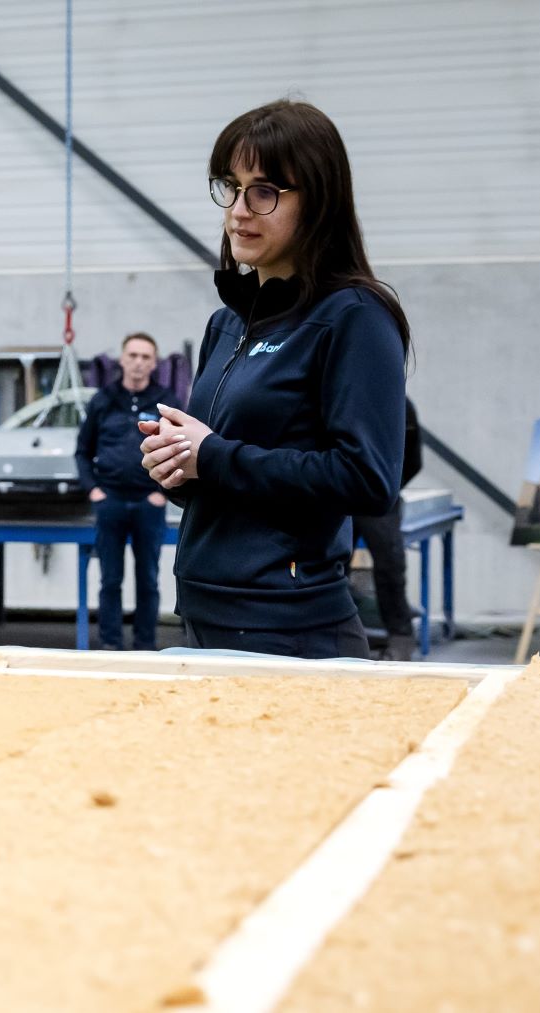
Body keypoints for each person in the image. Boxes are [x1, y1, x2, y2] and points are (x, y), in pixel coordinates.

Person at [138, 99, 408, 660]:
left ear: (319, 200)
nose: (239, 211)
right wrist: (180, 467)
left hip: (290, 627)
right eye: (231, 188)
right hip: (205, 612)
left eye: (264, 191)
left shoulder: (354, 318)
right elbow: (227, 471)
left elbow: (368, 478)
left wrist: (213, 456)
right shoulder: (226, 324)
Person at [75, 332, 174, 650]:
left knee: (148, 580)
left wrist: (162, 492)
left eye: (146, 357)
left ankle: (145, 647)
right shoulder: (102, 400)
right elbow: (82, 451)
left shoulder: (165, 402)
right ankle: (110, 645)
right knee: (110, 579)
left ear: (154, 363)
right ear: (122, 359)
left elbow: (179, 449)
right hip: (111, 502)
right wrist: (93, 490)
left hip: (149, 502)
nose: (138, 362)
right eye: (133, 355)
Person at [354, 398, 422, 660]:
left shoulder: (400, 404)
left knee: (390, 564)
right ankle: (345, 634)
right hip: (342, 493)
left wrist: (388, 486)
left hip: (379, 496)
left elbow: (414, 459)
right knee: (332, 564)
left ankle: (401, 637)